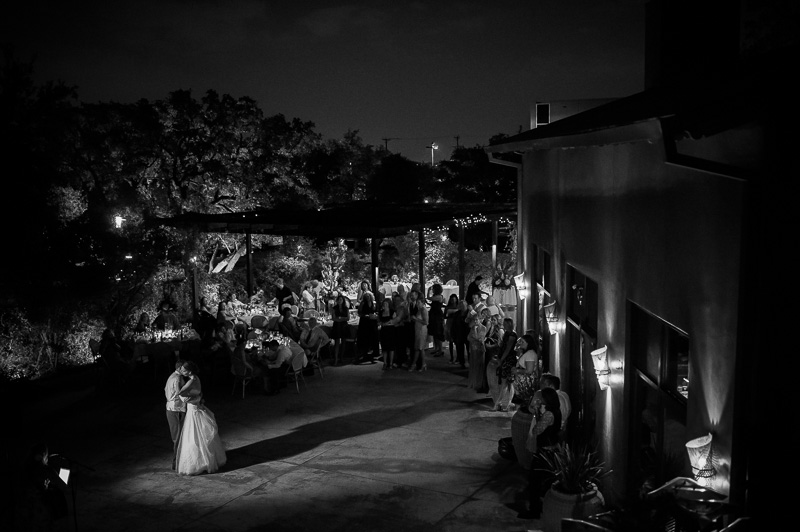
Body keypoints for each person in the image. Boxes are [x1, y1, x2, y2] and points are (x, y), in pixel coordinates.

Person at [174, 361, 227, 475]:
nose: (182, 371)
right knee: (200, 436)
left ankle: (199, 462)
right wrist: (198, 397)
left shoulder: (192, 380)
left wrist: (188, 399)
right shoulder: (196, 378)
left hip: (194, 410)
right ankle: (207, 459)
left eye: (183, 370)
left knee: (194, 437)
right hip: (196, 408)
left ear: (189, 371)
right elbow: (198, 392)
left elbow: (180, 393)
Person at [525, 387, 563, 518]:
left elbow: (537, 430)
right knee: (545, 481)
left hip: (545, 452)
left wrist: (536, 411)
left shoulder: (549, 414)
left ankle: (535, 510)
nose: (539, 399)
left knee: (535, 481)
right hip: (552, 449)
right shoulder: (556, 411)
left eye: (542, 397)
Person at [18, 442, 69, 528]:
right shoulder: (45, 469)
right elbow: (63, 486)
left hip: (24, 510)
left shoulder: (24, 469)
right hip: (40, 510)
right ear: (43, 454)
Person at [531, 373, 572, 440]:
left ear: (551, 386)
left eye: (543, 383)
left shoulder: (554, 399)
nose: (540, 386)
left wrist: (537, 410)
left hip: (552, 433)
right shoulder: (564, 394)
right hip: (562, 431)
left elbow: (539, 428)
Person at [491, 318, 518, 411]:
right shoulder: (506, 333)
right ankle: (505, 402)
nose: (504, 325)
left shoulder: (512, 335)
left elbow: (508, 349)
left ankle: (500, 402)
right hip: (504, 358)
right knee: (507, 382)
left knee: (506, 382)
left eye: (505, 324)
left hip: (508, 360)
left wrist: (501, 359)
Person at [165, 360, 187, 470]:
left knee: (176, 437)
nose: (186, 371)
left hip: (170, 408)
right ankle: (177, 462)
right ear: (179, 368)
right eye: (184, 369)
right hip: (176, 409)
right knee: (178, 438)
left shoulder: (171, 376)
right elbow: (180, 394)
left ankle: (178, 461)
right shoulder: (178, 378)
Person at [355, 291, 379, 364]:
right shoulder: (362, 303)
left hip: (372, 322)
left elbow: (376, 311)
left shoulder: (374, 303)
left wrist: (375, 315)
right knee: (365, 339)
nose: (367, 298)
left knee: (373, 338)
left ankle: (373, 355)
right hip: (364, 323)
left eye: (369, 296)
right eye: (366, 296)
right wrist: (365, 315)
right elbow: (359, 312)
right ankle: (364, 355)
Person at [407, 289, 428, 372]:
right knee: (420, 348)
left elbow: (426, 322)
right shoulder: (419, 309)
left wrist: (416, 319)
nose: (418, 304)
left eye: (419, 303)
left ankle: (414, 364)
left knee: (418, 348)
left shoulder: (423, 310)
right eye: (418, 303)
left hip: (421, 330)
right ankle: (423, 364)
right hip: (417, 329)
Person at [466, 310, 487, 390]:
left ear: (480, 320)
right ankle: (473, 382)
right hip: (473, 348)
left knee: (479, 366)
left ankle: (479, 383)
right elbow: (468, 337)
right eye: (474, 320)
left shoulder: (483, 328)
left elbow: (479, 338)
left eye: (477, 320)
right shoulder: (473, 328)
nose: (475, 321)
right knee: (473, 366)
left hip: (480, 349)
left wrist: (474, 335)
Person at [329, 294, 350, 365]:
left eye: (341, 300)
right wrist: (341, 319)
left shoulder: (346, 308)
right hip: (337, 326)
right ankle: (336, 359)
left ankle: (341, 357)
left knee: (344, 342)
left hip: (343, 326)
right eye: (339, 300)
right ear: (337, 301)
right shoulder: (335, 308)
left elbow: (348, 318)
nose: (340, 301)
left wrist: (340, 319)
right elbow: (334, 318)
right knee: (337, 342)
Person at [427, 283, 445, 357]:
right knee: (434, 332)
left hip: (437, 316)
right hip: (433, 315)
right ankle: (436, 348)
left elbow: (429, 298)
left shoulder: (439, 296)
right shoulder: (436, 296)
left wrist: (428, 291)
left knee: (438, 332)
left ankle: (440, 349)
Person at [451, 299, 470, 368]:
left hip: (467, 334)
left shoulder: (469, 313)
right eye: (461, 305)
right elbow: (453, 325)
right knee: (459, 349)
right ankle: (462, 363)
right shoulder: (457, 314)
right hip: (459, 334)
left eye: (464, 305)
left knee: (469, 349)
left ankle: (470, 363)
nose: (463, 307)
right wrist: (453, 335)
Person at [377, 297, 396, 370]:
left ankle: (390, 363)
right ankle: (385, 363)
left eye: (386, 304)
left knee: (391, 348)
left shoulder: (392, 312)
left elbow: (394, 321)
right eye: (384, 304)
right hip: (384, 331)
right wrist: (381, 323)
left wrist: (387, 323)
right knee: (384, 348)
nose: (384, 305)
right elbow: (378, 322)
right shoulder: (381, 312)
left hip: (390, 330)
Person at [443, 294, 460, 363]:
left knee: (457, 341)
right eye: (452, 299)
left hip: (456, 324)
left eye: (454, 299)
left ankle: (458, 357)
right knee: (450, 341)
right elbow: (444, 316)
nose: (453, 300)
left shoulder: (459, 306)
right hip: (449, 323)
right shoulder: (447, 307)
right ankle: (452, 357)